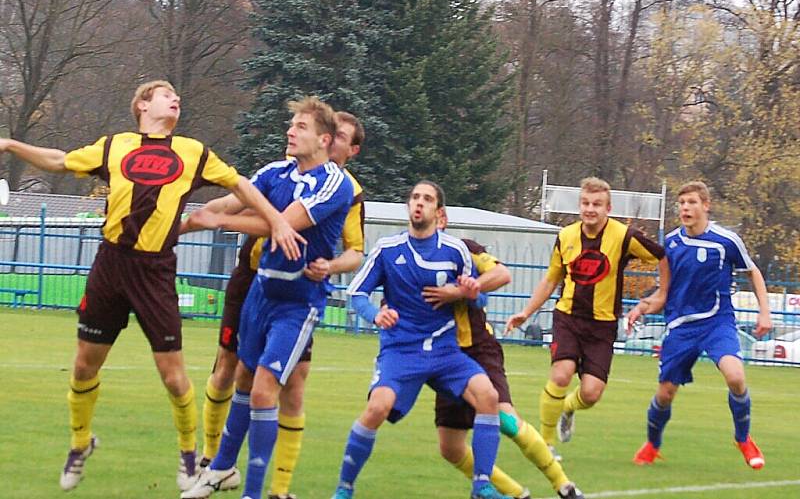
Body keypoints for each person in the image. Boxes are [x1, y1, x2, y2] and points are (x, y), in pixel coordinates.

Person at [0, 80, 303, 493]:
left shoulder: (193, 152)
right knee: (84, 365)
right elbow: (59, 160)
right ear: (143, 105)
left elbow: (240, 186)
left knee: (173, 376)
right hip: (111, 264)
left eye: (178, 95)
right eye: (166, 94)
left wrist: (279, 220)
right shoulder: (115, 145)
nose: (176, 99)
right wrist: (10, 145)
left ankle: (187, 456)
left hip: (156, 270)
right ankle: (79, 444)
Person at [181, 96, 354, 499]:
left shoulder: (334, 183)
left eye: (301, 127)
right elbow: (229, 200)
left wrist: (219, 221)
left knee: (263, 389)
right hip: (262, 291)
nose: (290, 132)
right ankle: (222, 468)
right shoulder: (276, 171)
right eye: (291, 124)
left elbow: (281, 223)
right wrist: (180, 222)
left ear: (324, 139)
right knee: (243, 376)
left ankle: (253, 492)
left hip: (298, 301)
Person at [332, 180, 511, 499]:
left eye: (426, 199)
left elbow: (477, 301)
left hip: (445, 352)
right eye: (415, 197)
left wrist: (471, 293)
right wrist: (375, 314)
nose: (419, 203)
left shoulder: (455, 250)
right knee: (377, 408)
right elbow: (356, 293)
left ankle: (481, 485)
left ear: (438, 212)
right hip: (401, 351)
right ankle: (344, 488)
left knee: (488, 396)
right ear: (408, 206)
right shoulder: (388, 249)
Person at [425, 210, 583, 499]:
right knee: (450, 447)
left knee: (504, 417)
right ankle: (514, 493)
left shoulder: (465, 250)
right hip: (443, 358)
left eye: (429, 208)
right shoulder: (408, 258)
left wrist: (463, 291)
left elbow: (501, 274)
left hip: (478, 350)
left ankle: (564, 485)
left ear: (442, 219)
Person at [505, 177, 666, 458]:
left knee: (591, 393)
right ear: (580, 205)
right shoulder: (566, 236)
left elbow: (661, 256)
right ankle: (545, 443)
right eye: (585, 203)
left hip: (602, 326)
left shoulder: (623, 236)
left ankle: (568, 408)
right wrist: (526, 311)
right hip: (567, 317)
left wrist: (663, 292)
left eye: (597, 204)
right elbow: (550, 279)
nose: (590, 209)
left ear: (608, 207)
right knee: (561, 373)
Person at [626, 181, 772, 468]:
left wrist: (764, 311)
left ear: (706, 205)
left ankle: (743, 438)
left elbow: (753, 272)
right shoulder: (670, 243)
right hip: (681, 327)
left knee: (735, 377)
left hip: (717, 322)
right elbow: (663, 293)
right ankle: (653, 444)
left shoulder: (725, 241)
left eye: (692, 202)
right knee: (665, 394)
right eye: (682, 203)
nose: (685, 208)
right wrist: (642, 307)